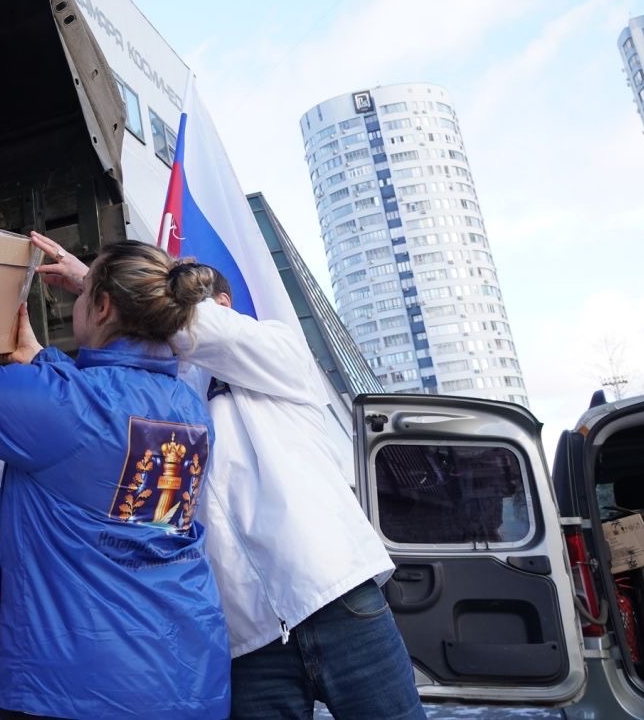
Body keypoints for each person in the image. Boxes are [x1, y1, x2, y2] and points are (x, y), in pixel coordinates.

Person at [31, 232, 424, 720]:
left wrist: (97, 281)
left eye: (203, 305)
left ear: (222, 305)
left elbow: (215, 334)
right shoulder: (162, 393)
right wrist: (98, 301)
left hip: (337, 598)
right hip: (244, 639)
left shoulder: (283, 358)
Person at [0, 240, 230, 719]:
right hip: (190, 677)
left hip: (82, 689)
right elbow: (100, 441)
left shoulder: (66, 404)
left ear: (101, 306)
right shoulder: (188, 407)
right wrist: (42, 362)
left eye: (82, 295)